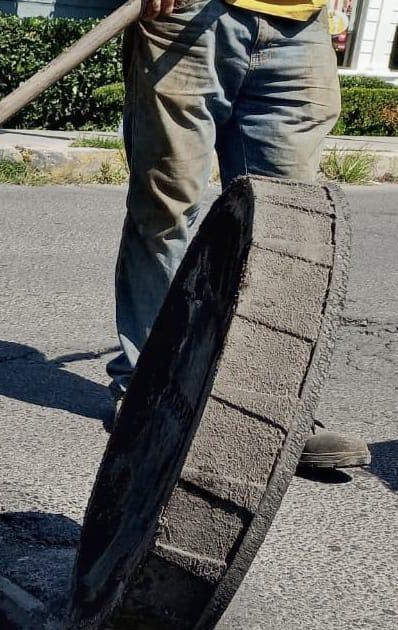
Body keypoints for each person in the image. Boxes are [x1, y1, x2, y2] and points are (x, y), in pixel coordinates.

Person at [108, 0, 371, 470]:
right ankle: (150, 391)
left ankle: (269, 413)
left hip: (299, 22)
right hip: (188, 12)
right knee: (165, 211)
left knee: (285, 227)